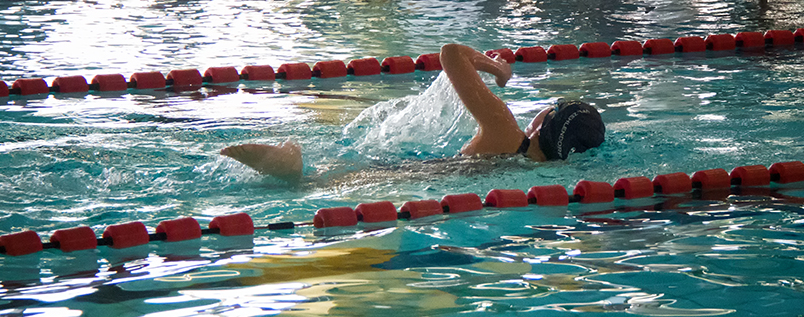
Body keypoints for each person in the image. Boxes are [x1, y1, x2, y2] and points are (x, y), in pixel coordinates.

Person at [220, 43, 605, 181]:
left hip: (417, 174)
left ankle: (290, 168)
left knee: (318, 181)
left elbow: (450, 54)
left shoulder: (506, 131)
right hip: (433, 190)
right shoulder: (548, 178)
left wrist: (497, 68)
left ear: (542, 122)